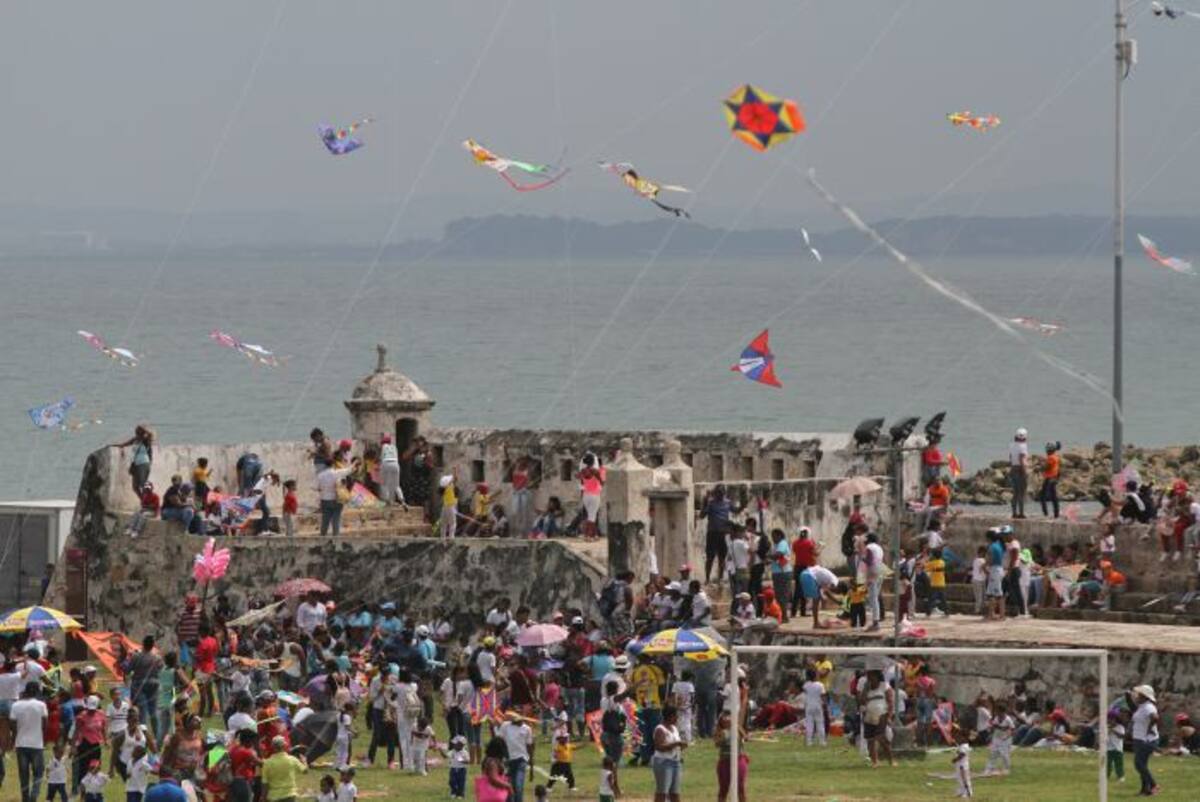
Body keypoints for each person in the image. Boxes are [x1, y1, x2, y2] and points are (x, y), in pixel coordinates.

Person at [11, 682, 47, 802]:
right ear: (37, 692)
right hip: (36, 744)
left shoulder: (16, 705)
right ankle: (34, 795)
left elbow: (13, 726)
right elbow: (44, 724)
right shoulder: (41, 705)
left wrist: (14, 740)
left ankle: (25, 799)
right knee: (38, 773)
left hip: (21, 744)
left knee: (24, 775)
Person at [651, 705, 686, 802]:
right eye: (675, 715)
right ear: (670, 716)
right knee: (662, 792)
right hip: (663, 762)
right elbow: (659, 747)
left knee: (675, 792)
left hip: (675, 762)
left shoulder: (674, 728)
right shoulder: (660, 729)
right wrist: (676, 744)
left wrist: (680, 747)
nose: (677, 718)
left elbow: (674, 745)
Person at [860, 670, 895, 768]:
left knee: (881, 738)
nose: (870, 678)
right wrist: (866, 689)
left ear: (877, 676)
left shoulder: (884, 686)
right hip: (869, 715)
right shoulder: (867, 688)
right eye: (868, 676)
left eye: (871, 676)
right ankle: (875, 761)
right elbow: (862, 701)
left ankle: (891, 760)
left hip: (882, 715)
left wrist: (889, 716)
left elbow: (890, 701)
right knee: (870, 740)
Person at [700, 486, 735, 583]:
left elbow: (736, 510)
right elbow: (702, 516)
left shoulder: (727, 503)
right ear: (715, 493)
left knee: (722, 557)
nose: (720, 495)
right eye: (718, 493)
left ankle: (720, 578)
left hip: (723, 533)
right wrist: (705, 502)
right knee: (710, 557)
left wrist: (743, 502)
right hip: (712, 532)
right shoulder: (711, 503)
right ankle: (707, 578)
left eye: (721, 493)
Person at [1130, 685, 1160, 796]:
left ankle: (1153, 785)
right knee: (1142, 765)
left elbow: (1155, 718)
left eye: (1139, 694)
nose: (1137, 696)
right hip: (1139, 739)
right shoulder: (1142, 706)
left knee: (1139, 764)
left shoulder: (1149, 707)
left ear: (1145, 696)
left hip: (1146, 740)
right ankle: (1145, 790)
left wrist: (1149, 729)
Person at [498, 711, 535, 802]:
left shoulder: (527, 729)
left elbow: (529, 746)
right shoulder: (505, 726)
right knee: (508, 785)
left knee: (518, 784)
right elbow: (499, 742)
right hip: (508, 760)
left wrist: (531, 767)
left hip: (521, 760)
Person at [317, 460, 358, 536]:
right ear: (333, 464)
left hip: (325, 500)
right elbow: (349, 470)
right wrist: (354, 463)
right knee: (336, 520)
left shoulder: (320, 475)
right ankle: (336, 539)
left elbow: (318, 488)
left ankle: (322, 538)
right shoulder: (337, 473)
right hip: (337, 500)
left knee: (325, 521)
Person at [262, 735, 308, 802]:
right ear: (284, 746)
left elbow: (265, 783)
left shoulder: (267, 763)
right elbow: (305, 771)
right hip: (289, 795)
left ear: (272, 747)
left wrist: (263, 798)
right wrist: (304, 761)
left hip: (274, 797)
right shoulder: (292, 759)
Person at [714, 709, 747, 802]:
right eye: (724, 717)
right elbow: (716, 743)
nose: (727, 719)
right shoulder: (720, 731)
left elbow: (745, 737)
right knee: (723, 788)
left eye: (729, 717)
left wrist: (736, 726)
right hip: (724, 762)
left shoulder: (736, 728)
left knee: (740, 788)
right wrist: (722, 736)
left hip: (739, 760)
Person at [112, 425, 154, 498]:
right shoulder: (135, 439)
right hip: (136, 464)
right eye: (136, 430)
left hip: (143, 463)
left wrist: (145, 430)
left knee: (142, 484)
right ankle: (144, 501)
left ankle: (149, 500)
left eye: (138, 430)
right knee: (135, 487)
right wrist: (113, 445)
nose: (136, 432)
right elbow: (123, 444)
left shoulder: (146, 440)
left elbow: (151, 434)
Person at [790, 527, 818, 618]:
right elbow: (815, 553)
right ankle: (802, 611)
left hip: (797, 567)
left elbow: (794, 551)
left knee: (798, 589)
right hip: (807, 567)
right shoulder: (810, 543)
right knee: (804, 589)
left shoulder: (795, 543)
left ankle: (794, 611)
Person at [476, 737, 513, 802]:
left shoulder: (487, 760)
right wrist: (507, 786)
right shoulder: (493, 762)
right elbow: (493, 778)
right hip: (495, 794)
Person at [579, 453, 606, 540]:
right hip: (595, 495)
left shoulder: (582, 471)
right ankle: (588, 535)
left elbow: (582, 483)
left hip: (586, 495)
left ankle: (594, 535)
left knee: (590, 515)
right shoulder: (595, 471)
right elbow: (602, 482)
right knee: (592, 517)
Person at [769, 529, 792, 623]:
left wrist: (769, 556)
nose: (773, 538)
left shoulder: (782, 543)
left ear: (779, 535)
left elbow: (778, 555)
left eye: (774, 536)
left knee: (782, 594)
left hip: (783, 572)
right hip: (777, 572)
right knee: (779, 595)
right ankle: (782, 615)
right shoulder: (775, 545)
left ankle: (785, 616)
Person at [802, 668, 827, 746]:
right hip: (818, 705)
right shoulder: (820, 685)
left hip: (809, 706)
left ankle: (809, 741)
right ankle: (822, 742)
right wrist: (824, 704)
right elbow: (823, 696)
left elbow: (805, 693)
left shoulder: (806, 685)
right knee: (820, 723)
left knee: (809, 724)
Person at [378, 435, 405, 507]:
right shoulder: (394, 447)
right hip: (395, 464)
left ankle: (387, 501)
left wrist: (379, 468)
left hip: (386, 463)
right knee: (396, 485)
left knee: (384, 484)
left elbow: (382, 458)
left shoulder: (384, 447)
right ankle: (402, 501)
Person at [1009, 428, 1029, 519]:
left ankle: (1014, 513)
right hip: (1020, 470)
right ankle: (1021, 513)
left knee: (1015, 493)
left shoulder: (1012, 445)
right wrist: (1025, 471)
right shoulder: (1023, 446)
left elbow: (1010, 457)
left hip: (1013, 468)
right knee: (1022, 492)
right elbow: (1022, 459)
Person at [1039, 441, 1062, 518]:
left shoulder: (1051, 457)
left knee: (1043, 497)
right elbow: (1058, 470)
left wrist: (1040, 467)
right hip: (1054, 478)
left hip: (1049, 478)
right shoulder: (1056, 456)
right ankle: (1056, 514)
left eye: (1047, 450)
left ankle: (1046, 513)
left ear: (1049, 450)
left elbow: (1047, 467)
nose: (1046, 451)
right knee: (1053, 497)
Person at [1106, 710, 1126, 783]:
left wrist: (1113, 730)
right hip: (1108, 748)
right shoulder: (1106, 727)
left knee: (1118, 764)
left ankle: (1120, 776)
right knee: (1108, 763)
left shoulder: (1120, 727)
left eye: (1112, 719)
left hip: (1118, 749)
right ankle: (1106, 776)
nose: (1110, 721)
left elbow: (1122, 736)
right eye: (1109, 719)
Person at [446, 734, 469, 799]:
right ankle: (454, 792)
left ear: (461, 745)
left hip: (462, 769)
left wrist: (462, 760)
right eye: (454, 744)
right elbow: (446, 756)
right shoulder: (453, 751)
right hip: (453, 769)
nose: (454, 745)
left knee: (461, 782)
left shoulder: (465, 752)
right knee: (452, 781)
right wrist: (440, 751)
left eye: (455, 744)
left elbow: (467, 761)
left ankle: (460, 794)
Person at [439, 474, 458, 539]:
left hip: (444, 507)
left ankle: (442, 537)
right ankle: (451, 537)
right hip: (450, 507)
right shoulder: (449, 488)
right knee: (453, 523)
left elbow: (454, 479)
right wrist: (455, 471)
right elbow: (455, 479)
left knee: (444, 523)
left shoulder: (443, 489)